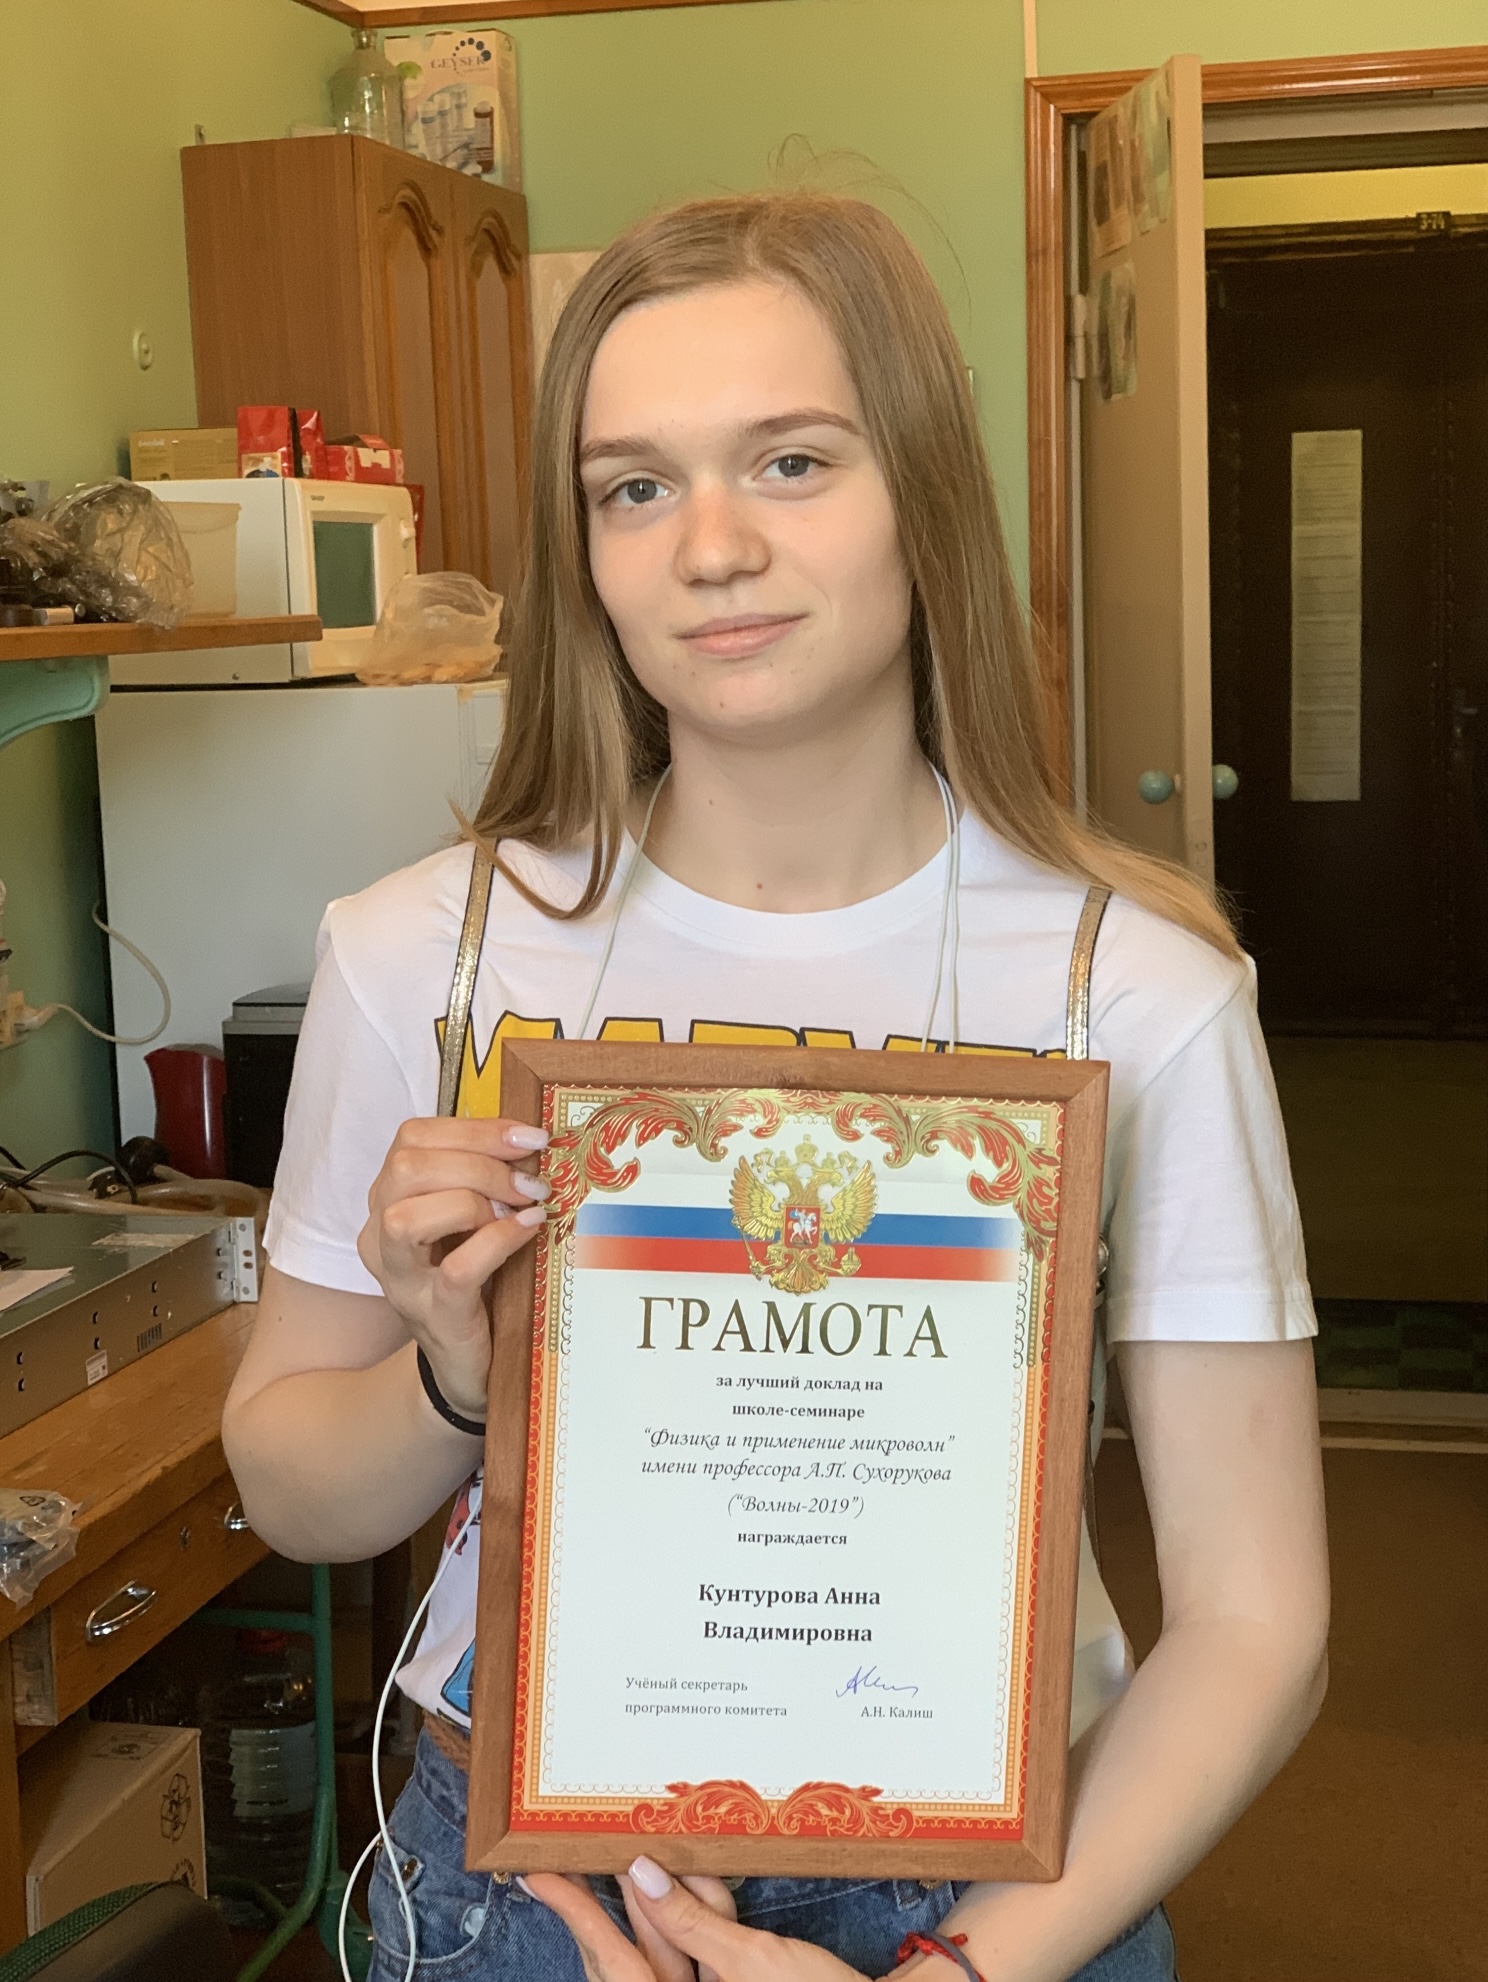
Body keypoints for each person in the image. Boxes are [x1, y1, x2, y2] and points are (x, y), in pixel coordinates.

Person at [223, 191, 1329, 1982]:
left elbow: (1258, 1619)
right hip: (531, 1898)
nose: (712, 547)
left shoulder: (1131, 993)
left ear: (924, 496)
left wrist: (951, 1978)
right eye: (633, 487)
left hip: (983, 1915)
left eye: (793, 462)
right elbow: (289, 1485)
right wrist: (451, 1376)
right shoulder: (427, 953)